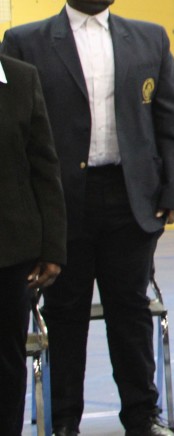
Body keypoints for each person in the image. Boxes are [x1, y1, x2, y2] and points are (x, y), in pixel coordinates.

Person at [1, 0, 174, 434]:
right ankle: (64, 419)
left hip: (131, 200)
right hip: (61, 203)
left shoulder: (149, 38)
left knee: (130, 312)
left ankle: (141, 414)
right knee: (64, 313)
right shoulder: (24, 42)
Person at [0, 54, 65, 436]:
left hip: (10, 253)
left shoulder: (22, 79)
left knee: (7, 361)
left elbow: (44, 166)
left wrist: (53, 248)